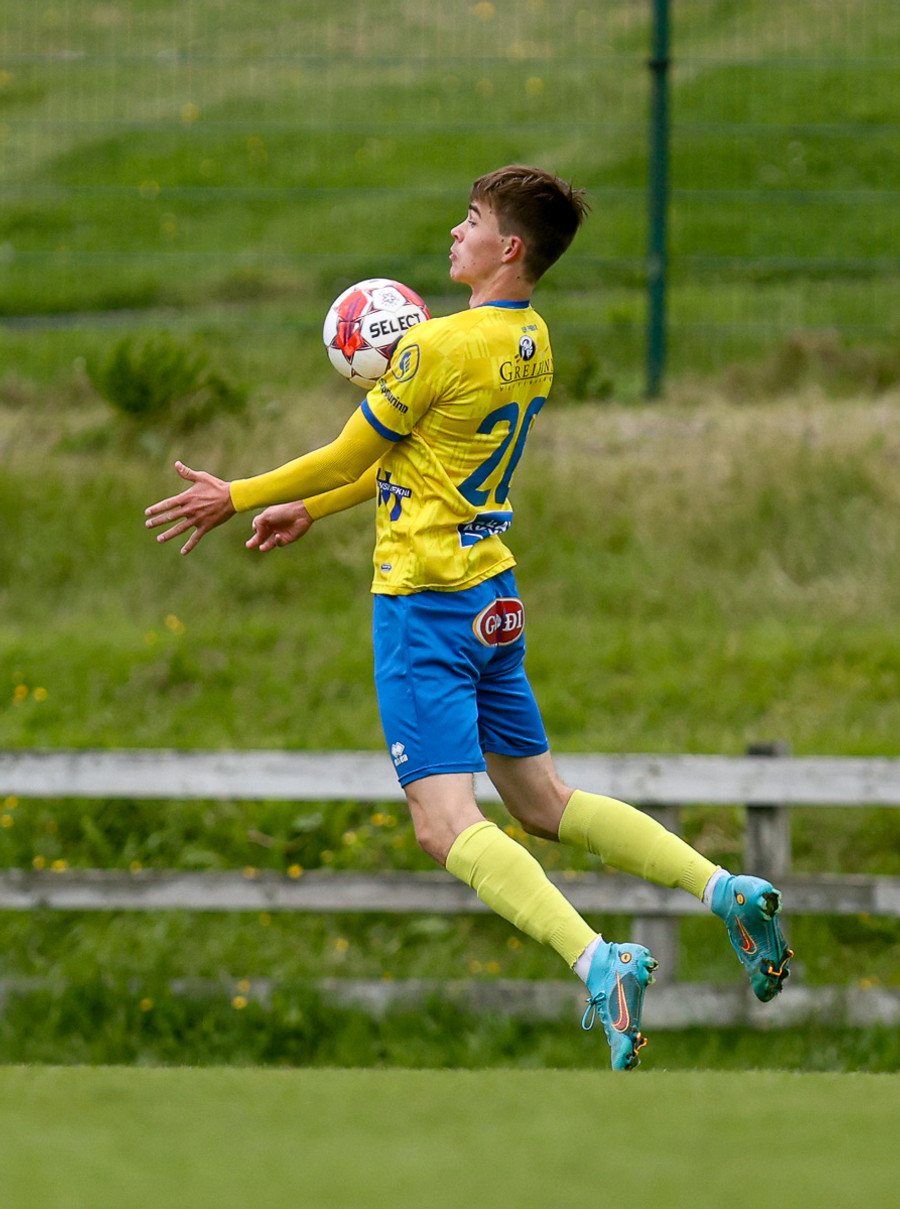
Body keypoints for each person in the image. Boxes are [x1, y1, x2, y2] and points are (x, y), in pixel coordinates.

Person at [145, 165, 792, 1069]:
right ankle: (724, 888)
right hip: (493, 596)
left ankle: (598, 961)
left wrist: (238, 493)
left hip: (426, 606)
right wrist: (315, 508)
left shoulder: (435, 347)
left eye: (473, 219)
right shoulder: (533, 341)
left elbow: (349, 451)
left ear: (509, 246)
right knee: (543, 801)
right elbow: (418, 461)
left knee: (443, 822)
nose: (456, 232)